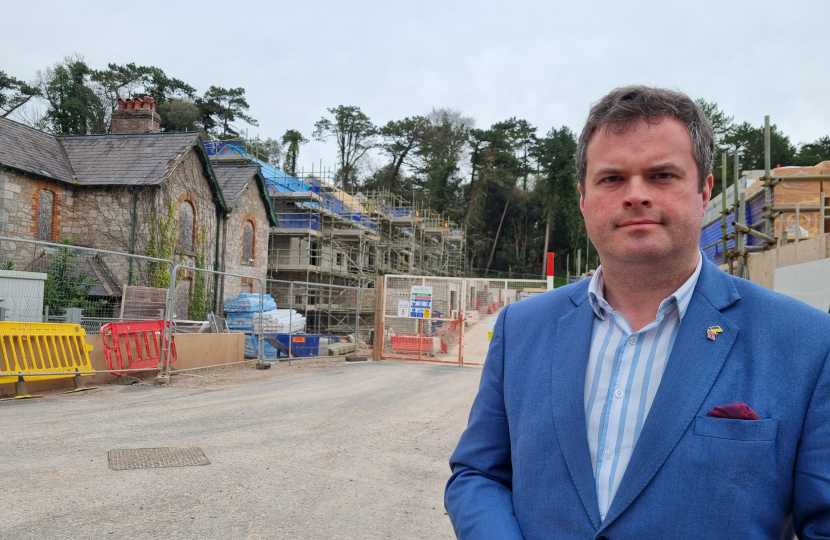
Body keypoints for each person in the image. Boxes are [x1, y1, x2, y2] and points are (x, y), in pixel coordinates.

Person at [445, 86, 830, 539]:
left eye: (662, 175)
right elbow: (479, 474)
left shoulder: (806, 343)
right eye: (611, 179)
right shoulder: (520, 328)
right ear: (584, 199)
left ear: (704, 190)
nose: (636, 195)